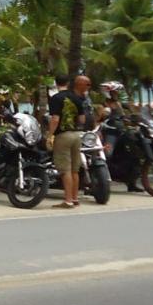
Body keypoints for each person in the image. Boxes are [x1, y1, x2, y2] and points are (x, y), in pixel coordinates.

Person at [47, 74, 94, 209]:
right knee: (75, 170)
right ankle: (74, 198)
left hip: (63, 136)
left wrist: (50, 135)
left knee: (65, 170)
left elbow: (55, 119)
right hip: (76, 135)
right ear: (68, 83)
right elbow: (82, 120)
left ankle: (67, 201)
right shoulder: (77, 98)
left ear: (56, 83)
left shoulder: (56, 98)